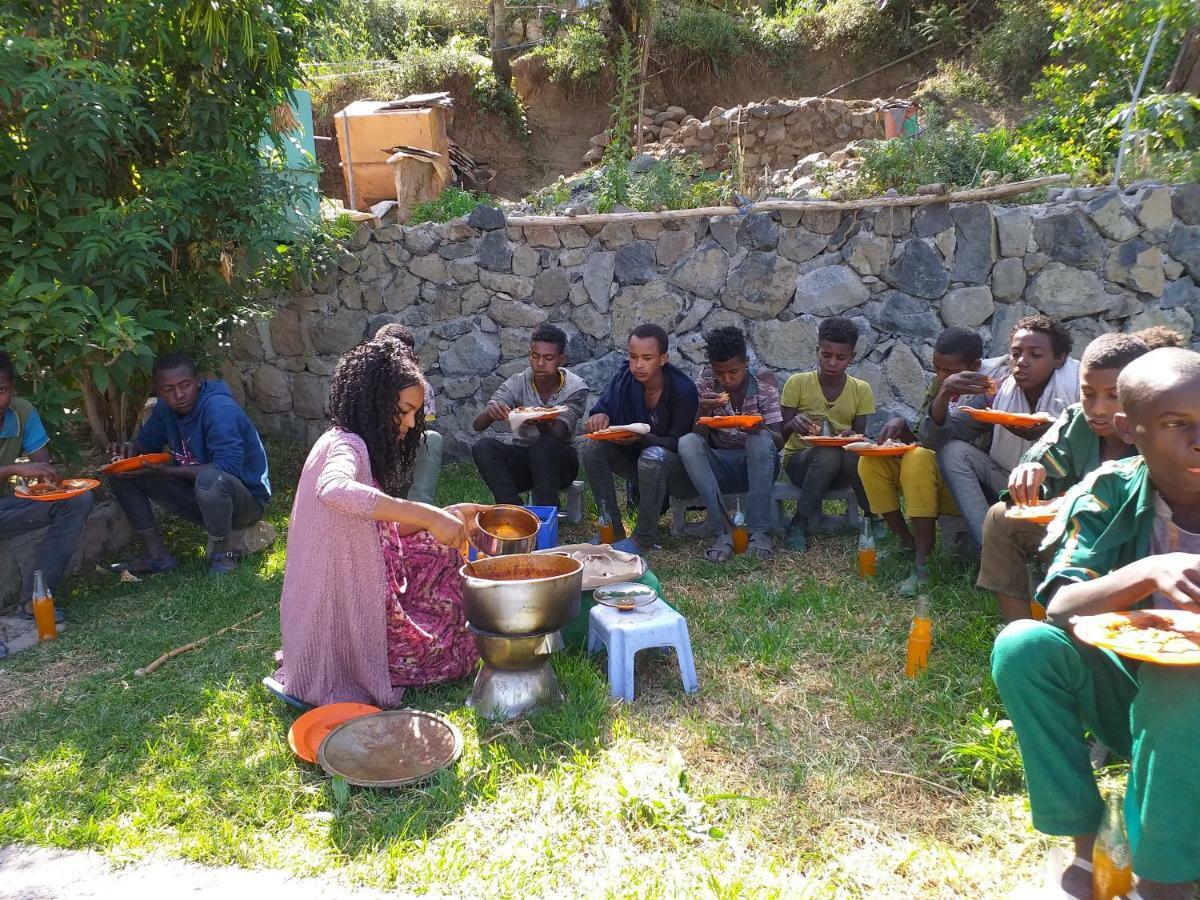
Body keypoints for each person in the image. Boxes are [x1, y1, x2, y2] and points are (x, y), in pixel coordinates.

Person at [992, 347, 1200, 900]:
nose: (1199, 440)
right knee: (1024, 645)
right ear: (1130, 431)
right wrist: (1151, 569)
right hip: (1136, 697)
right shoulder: (1108, 489)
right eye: (1177, 425)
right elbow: (1061, 604)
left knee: (1182, 680)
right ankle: (1093, 850)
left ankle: (1163, 877)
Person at [279, 337, 484, 707]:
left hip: (356, 581)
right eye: (404, 410)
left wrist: (446, 514)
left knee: (443, 553)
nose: (409, 423)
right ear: (375, 398)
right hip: (339, 609)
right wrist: (424, 514)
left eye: (413, 414)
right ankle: (381, 657)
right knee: (455, 641)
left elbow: (374, 527)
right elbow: (335, 489)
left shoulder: (345, 440)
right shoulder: (344, 446)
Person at [979, 333, 1149, 622]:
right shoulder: (1077, 422)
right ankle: (1020, 628)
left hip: (1141, 548)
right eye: (1088, 393)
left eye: (1114, 395)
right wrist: (1033, 472)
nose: (1097, 409)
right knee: (1000, 517)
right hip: (1079, 542)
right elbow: (1042, 460)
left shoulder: (1156, 429)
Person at [107, 352, 271, 576]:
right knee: (121, 473)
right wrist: (129, 449)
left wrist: (169, 471)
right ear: (159, 391)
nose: (179, 394)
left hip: (245, 503)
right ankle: (157, 556)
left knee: (211, 478)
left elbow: (227, 468)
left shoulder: (219, 408)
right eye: (168, 389)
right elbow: (146, 443)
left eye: (185, 385)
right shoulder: (166, 409)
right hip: (201, 496)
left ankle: (222, 555)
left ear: (198, 381)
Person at [938, 315, 1080, 554]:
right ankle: (990, 548)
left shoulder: (1080, 388)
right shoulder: (1000, 389)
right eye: (1016, 354)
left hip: (1063, 487)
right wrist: (944, 392)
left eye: (1035, 355)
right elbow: (943, 436)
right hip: (1009, 481)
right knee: (952, 452)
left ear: (1059, 359)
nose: (1022, 362)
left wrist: (1051, 432)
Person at [857, 327, 982, 596]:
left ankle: (923, 561)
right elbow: (924, 436)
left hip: (964, 486)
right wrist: (902, 428)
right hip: (928, 474)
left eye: (949, 371)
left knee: (917, 459)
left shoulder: (985, 392)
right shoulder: (940, 386)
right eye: (937, 368)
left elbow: (943, 442)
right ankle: (907, 542)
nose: (941, 377)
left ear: (975, 366)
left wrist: (945, 393)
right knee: (870, 462)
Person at [581, 324, 699, 556]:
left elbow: (680, 444)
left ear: (663, 358)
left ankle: (644, 538)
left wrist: (643, 440)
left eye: (647, 358)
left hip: (677, 472)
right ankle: (611, 529)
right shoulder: (625, 379)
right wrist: (599, 416)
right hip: (638, 463)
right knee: (593, 446)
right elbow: (602, 409)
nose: (638, 365)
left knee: (652, 455)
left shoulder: (683, 389)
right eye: (633, 357)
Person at [0, 351, 93, 631]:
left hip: (5, 509)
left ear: (13, 388)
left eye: (2, 390)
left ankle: (35, 599)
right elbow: (21, 471)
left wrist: (48, 478)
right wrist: (14, 470)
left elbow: (42, 468)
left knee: (76, 500)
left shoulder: (22, 412)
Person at [678, 326, 783, 562]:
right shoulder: (704, 388)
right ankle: (723, 531)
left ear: (746, 363)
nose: (726, 379)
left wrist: (760, 428)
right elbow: (697, 438)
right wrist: (702, 411)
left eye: (733, 372)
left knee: (759, 441)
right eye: (719, 373)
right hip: (720, 466)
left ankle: (759, 533)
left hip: (759, 467)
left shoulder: (764, 389)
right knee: (687, 442)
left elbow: (779, 441)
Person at [779, 316, 874, 552]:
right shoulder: (797, 383)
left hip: (843, 469)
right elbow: (779, 437)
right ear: (817, 351)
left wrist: (852, 434)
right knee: (827, 454)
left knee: (851, 453)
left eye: (841, 358)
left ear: (851, 358)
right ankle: (799, 522)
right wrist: (793, 423)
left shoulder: (861, 389)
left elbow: (859, 439)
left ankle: (873, 515)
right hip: (801, 464)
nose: (832, 362)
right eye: (826, 355)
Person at [471, 324, 588, 507]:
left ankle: (548, 513)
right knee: (484, 447)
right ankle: (512, 509)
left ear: (561, 359)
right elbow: (477, 425)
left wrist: (540, 421)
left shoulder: (575, 388)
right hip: (525, 461)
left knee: (544, 445)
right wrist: (492, 411)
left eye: (548, 358)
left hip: (560, 464)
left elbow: (560, 433)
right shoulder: (518, 382)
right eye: (535, 356)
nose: (540, 364)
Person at [374, 323, 442, 505]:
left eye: (404, 356)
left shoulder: (421, 388)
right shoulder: (360, 388)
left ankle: (420, 507)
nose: (396, 362)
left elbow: (423, 428)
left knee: (432, 439)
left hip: (404, 448)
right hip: (370, 450)